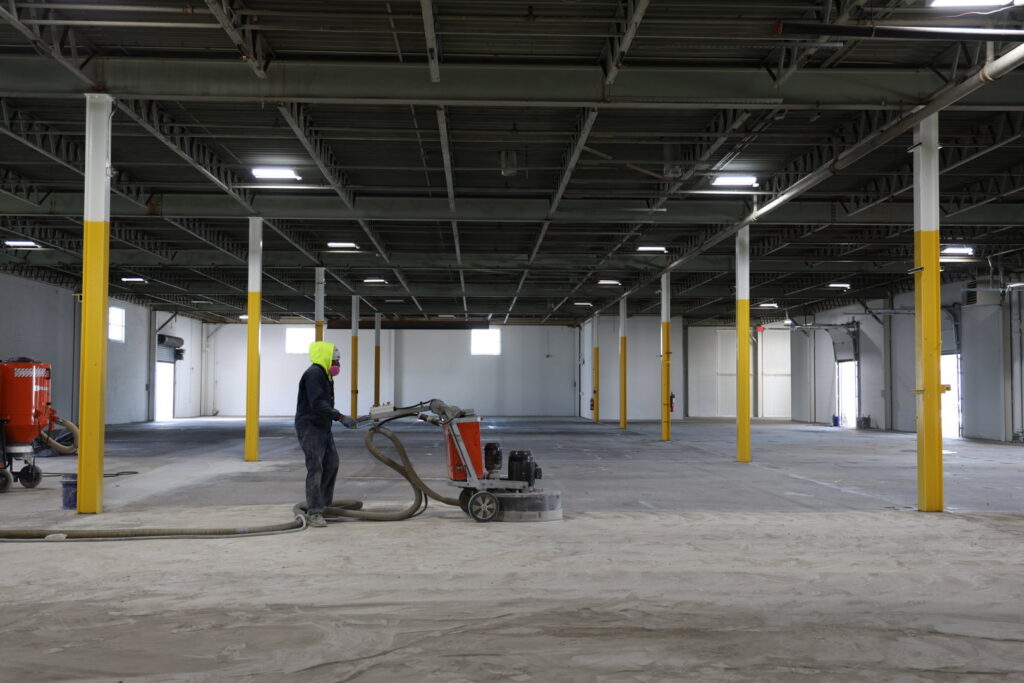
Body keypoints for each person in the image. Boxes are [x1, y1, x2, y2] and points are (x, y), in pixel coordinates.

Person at [295, 341, 357, 527]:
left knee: (332, 464)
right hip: (310, 427)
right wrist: (340, 416)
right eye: (335, 360)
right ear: (325, 357)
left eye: (338, 361)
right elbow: (317, 403)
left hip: (323, 426)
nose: (337, 364)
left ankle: (325, 506)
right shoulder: (314, 374)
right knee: (316, 467)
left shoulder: (326, 375)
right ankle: (314, 512)